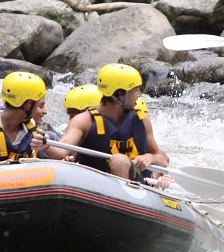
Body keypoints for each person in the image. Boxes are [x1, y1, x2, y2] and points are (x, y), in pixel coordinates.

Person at [37, 64, 168, 183]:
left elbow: (161, 159)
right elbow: (61, 151)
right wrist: (46, 145)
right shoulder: (84, 121)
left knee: (120, 161)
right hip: (96, 187)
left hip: (137, 188)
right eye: (136, 90)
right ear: (120, 94)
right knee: (119, 160)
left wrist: (149, 157)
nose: (140, 94)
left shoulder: (142, 119)